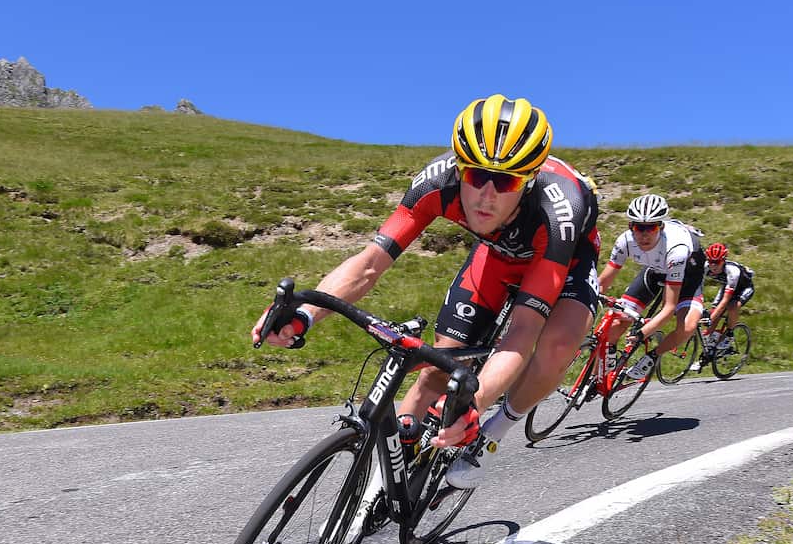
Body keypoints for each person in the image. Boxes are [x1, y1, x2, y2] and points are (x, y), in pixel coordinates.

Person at [253, 94, 601, 494]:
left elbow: (522, 331)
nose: (486, 195)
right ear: (458, 168)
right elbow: (369, 264)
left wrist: (478, 401)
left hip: (563, 260)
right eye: (475, 175)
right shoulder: (437, 181)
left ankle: (492, 436)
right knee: (440, 364)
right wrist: (304, 313)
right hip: (497, 256)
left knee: (557, 345)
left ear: (527, 182)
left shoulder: (559, 211)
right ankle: (381, 484)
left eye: (504, 181)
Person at [596, 194, 707, 382]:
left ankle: (652, 357)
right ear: (631, 226)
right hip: (656, 271)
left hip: (688, 276)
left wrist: (642, 333)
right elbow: (603, 283)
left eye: (651, 227)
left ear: (661, 227)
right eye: (639, 227)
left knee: (687, 327)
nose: (644, 234)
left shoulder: (677, 249)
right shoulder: (625, 241)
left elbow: (669, 307)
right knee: (616, 322)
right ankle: (604, 371)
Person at [698, 242, 754, 359]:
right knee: (714, 313)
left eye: (717, 262)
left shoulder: (732, 271)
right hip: (727, 286)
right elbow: (698, 288)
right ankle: (709, 351)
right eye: (711, 261)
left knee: (732, 306)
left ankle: (729, 334)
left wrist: (710, 318)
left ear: (723, 260)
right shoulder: (705, 267)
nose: (713, 265)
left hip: (744, 288)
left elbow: (725, 301)